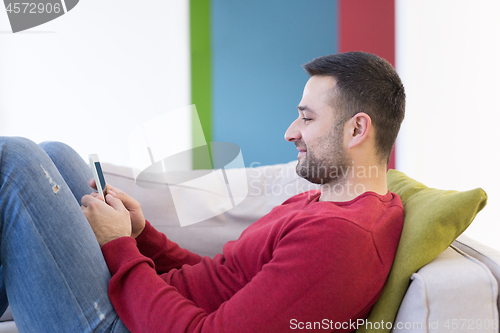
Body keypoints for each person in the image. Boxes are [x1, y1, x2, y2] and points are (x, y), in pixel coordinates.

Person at [0, 51, 405, 332]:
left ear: (357, 129)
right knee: (58, 155)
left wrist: (119, 244)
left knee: (15, 160)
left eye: (307, 118)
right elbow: (224, 279)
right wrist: (143, 237)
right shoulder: (322, 201)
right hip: (145, 313)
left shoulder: (343, 239)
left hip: (123, 326)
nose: (290, 132)